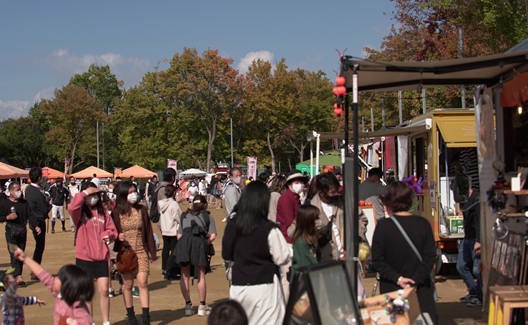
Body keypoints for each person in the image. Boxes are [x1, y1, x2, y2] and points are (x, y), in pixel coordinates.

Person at [222, 182, 291, 325]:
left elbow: (226, 254)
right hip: (265, 286)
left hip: (239, 285)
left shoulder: (232, 225)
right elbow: (282, 257)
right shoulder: (269, 228)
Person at [371, 181, 437, 324]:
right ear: (410, 199)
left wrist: (398, 279)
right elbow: (430, 256)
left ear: (389, 201)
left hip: (392, 291)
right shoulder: (423, 224)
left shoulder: (383, 227)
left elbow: (377, 260)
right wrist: (415, 280)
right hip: (420, 291)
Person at [68, 182, 118, 325]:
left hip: (101, 256)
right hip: (84, 257)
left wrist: (108, 234)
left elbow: (113, 230)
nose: (93, 198)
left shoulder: (103, 212)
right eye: (90, 195)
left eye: (95, 195)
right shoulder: (79, 212)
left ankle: (106, 321)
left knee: (103, 290)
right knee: (87, 293)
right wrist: (84, 193)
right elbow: (72, 207)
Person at [112, 182, 157, 325]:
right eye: (130, 192)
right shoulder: (116, 212)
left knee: (143, 282)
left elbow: (149, 231)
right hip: (125, 252)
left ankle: (145, 317)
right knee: (128, 285)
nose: (133, 194)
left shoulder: (142, 210)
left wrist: (153, 253)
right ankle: (131, 316)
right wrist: (116, 236)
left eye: (134, 191)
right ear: (123, 195)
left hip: (141, 250)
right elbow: (110, 231)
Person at [13, 248, 94, 325]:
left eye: (58, 278)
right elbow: (44, 276)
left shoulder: (79, 311)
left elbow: (85, 321)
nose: (54, 279)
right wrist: (26, 258)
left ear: (67, 287)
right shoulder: (63, 295)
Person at [174, 195, 217, 317]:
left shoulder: (184, 216)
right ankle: (202, 305)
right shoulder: (208, 216)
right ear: (204, 204)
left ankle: (188, 305)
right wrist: (205, 244)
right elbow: (213, 235)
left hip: (184, 243)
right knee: (201, 276)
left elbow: (178, 236)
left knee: (185, 276)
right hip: (199, 243)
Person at [0, 182, 39, 286]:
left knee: (21, 254)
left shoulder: (24, 203)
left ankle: (18, 275)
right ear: (10, 192)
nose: (19, 192)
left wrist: (36, 225)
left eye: (19, 190)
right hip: (10, 231)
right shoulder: (4, 203)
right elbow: (0, 217)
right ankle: (17, 276)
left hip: (22, 231)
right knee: (14, 254)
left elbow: (30, 214)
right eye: (17, 190)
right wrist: (7, 217)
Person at [457, 186, 483, 307]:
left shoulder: (477, 199)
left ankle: (480, 296)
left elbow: (480, 221)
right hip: (467, 237)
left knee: (477, 270)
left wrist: (479, 240)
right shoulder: (464, 200)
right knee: (461, 266)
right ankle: (472, 291)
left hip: (475, 239)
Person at [24, 167, 50, 272]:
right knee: (40, 246)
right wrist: (49, 205)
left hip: (32, 219)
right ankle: (35, 269)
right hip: (38, 219)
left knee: (38, 245)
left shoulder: (28, 189)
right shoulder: (37, 192)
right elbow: (43, 209)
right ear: (39, 178)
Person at [290, 204, 321, 284]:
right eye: (316, 218)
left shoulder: (313, 237)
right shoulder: (300, 242)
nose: (318, 220)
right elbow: (306, 263)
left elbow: (318, 254)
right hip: (302, 282)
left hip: (312, 278)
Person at [276, 169, 308, 243]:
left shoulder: (295, 197)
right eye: (296, 182)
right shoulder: (286, 198)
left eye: (301, 182)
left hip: (295, 236)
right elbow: (290, 222)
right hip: (288, 238)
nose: (300, 184)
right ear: (289, 184)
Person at [159, 184, 182, 280]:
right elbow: (179, 217)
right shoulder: (174, 204)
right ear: (173, 193)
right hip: (173, 230)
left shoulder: (161, 203)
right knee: (174, 251)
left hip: (164, 229)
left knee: (165, 249)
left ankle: (164, 268)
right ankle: (170, 269)